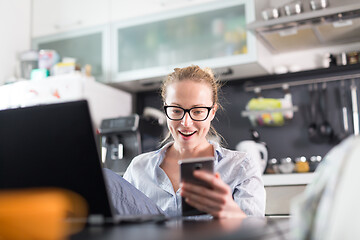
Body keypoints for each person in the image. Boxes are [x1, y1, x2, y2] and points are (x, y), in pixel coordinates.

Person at [105, 65, 265, 218]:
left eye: (197, 111)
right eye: (176, 110)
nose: (186, 123)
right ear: (165, 109)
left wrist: (231, 213)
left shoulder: (241, 167)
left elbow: (256, 233)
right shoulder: (138, 168)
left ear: (212, 112)